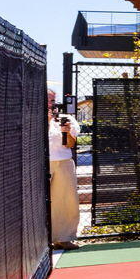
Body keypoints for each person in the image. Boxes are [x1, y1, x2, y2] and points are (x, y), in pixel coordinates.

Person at [49, 104, 81, 248]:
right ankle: (41, 240)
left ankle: (64, 238)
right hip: (37, 163)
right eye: (47, 100)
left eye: (52, 100)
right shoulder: (31, 117)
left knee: (66, 199)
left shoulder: (66, 119)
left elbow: (70, 144)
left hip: (63, 163)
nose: (50, 104)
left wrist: (66, 132)